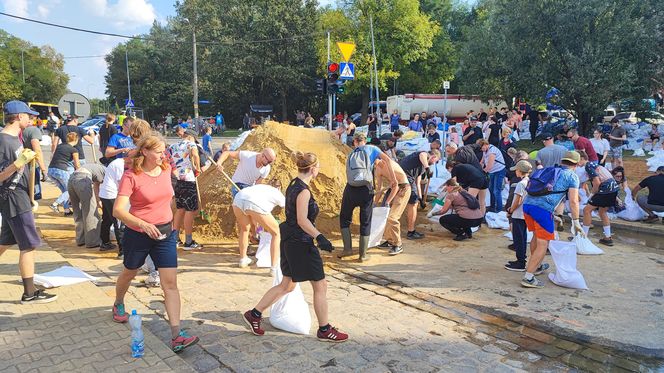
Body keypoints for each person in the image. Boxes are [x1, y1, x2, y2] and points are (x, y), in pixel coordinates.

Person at [242, 151, 348, 343]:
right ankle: (324, 329)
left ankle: (254, 314)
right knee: (320, 285)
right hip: (301, 242)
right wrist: (320, 237)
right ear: (313, 169)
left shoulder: (293, 184)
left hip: (290, 239)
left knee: (287, 285)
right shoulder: (304, 191)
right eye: (319, 168)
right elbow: (302, 220)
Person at [112, 133, 199, 353]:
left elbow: (170, 199)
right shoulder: (131, 176)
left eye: (164, 151)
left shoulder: (166, 169)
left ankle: (177, 335)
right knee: (129, 272)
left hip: (165, 234)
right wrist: (142, 224)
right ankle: (119, 302)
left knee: (170, 284)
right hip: (138, 234)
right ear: (145, 152)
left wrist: (172, 224)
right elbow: (118, 210)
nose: (164, 155)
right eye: (159, 151)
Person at [0, 101, 58, 304]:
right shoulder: (4, 141)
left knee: (6, 241)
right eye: (28, 115)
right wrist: (18, 164)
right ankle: (29, 293)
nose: (32, 119)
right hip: (14, 198)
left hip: (18, 196)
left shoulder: (14, 138)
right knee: (29, 245)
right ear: (17, 117)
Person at [521, 151, 584, 288]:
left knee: (536, 237)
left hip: (527, 205)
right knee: (543, 244)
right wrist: (576, 221)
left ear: (563, 161)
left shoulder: (549, 169)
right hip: (542, 210)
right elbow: (573, 201)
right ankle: (528, 277)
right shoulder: (572, 176)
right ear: (577, 164)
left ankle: (536, 267)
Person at [338, 133, 397, 261]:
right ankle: (362, 255)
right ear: (365, 140)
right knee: (365, 221)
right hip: (366, 190)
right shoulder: (373, 149)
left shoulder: (352, 153)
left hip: (350, 189)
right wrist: (393, 179)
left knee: (344, 218)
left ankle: (347, 249)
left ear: (354, 142)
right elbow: (387, 160)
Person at [232, 179, 284, 270]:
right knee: (276, 233)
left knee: (244, 229)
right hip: (252, 203)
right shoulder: (278, 193)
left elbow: (252, 213)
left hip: (238, 199)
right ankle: (274, 268)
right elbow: (289, 209)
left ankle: (243, 259)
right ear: (279, 188)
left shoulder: (260, 187)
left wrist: (256, 230)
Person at [168, 129, 202, 250]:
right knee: (190, 210)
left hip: (177, 179)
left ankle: (175, 239)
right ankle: (188, 241)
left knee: (180, 209)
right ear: (191, 137)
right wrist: (197, 169)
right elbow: (195, 154)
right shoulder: (191, 144)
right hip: (188, 179)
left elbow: (167, 159)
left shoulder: (173, 145)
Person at [578, 152, 619, 246]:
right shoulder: (594, 164)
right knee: (602, 212)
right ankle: (608, 238)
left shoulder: (588, 166)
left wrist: (591, 195)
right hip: (614, 188)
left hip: (605, 189)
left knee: (586, 210)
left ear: (583, 158)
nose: (576, 162)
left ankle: (584, 237)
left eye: (577, 159)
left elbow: (597, 183)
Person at [398, 149, 440, 240]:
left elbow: (417, 182)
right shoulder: (424, 155)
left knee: (414, 202)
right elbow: (422, 155)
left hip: (406, 178)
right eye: (436, 161)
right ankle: (411, 232)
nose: (435, 163)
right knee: (412, 204)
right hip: (404, 176)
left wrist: (420, 198)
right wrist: (427, 168)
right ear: (434, 156)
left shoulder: (421, 167)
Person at [374, 158, 409, 255]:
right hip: (394, 189)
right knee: (386, 216)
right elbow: (379, 188)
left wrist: (388, 201)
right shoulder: (377, 169)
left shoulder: (389, 164)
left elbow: (396, 185)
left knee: (392, 217)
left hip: (403, 189)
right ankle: (390, 241)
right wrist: (375, 203)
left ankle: (398, 244)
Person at [68, 163, 106, 248]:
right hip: (83, 179)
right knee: (90, 212)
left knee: (77, 212)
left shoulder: (99, 168)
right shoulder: (107, 172)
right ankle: (93, 242)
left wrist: (98, 200)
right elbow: (102, 187)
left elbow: (96, 185)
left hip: (71, 179)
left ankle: (81, 240)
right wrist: (99, 201)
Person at [505, 160, 532, 271]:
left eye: (516, 170)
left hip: (518, 214)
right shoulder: (529, 181)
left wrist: (510, 210)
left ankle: (520, 262)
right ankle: (521, 260)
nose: (515, 172)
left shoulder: (521, 184)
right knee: (522, 238)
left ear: (520, 171)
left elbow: (517, 201)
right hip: (525, 214)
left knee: (518, 239)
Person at [48, 132, 81, 216]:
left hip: (51, 170)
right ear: (76, 140)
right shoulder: (74, 150)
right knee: (70, 190)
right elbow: (77, 165)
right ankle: (55, 204)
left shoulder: (60, 146)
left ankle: (66, 210)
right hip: (61, 171)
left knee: (65, 191)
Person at [99, 157, 125, 257]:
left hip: (105, 194)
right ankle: (122, 251)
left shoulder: (117, 163)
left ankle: (105, 243)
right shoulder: (120, 164)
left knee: (107, 219)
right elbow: (121, 184)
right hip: (112, 195)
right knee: (118, 222)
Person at [478, 139, 507, 212]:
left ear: (485, 145)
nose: (482, 150)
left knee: (496, 191)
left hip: (499, 171)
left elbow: (490, 165)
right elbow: (482, 162)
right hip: (492, 172)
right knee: (491, 189)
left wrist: (483, 172)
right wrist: (478, 169)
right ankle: (492, 207)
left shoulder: (492, 151)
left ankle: (499, 209)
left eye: (482, 148)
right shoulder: (485, 151)